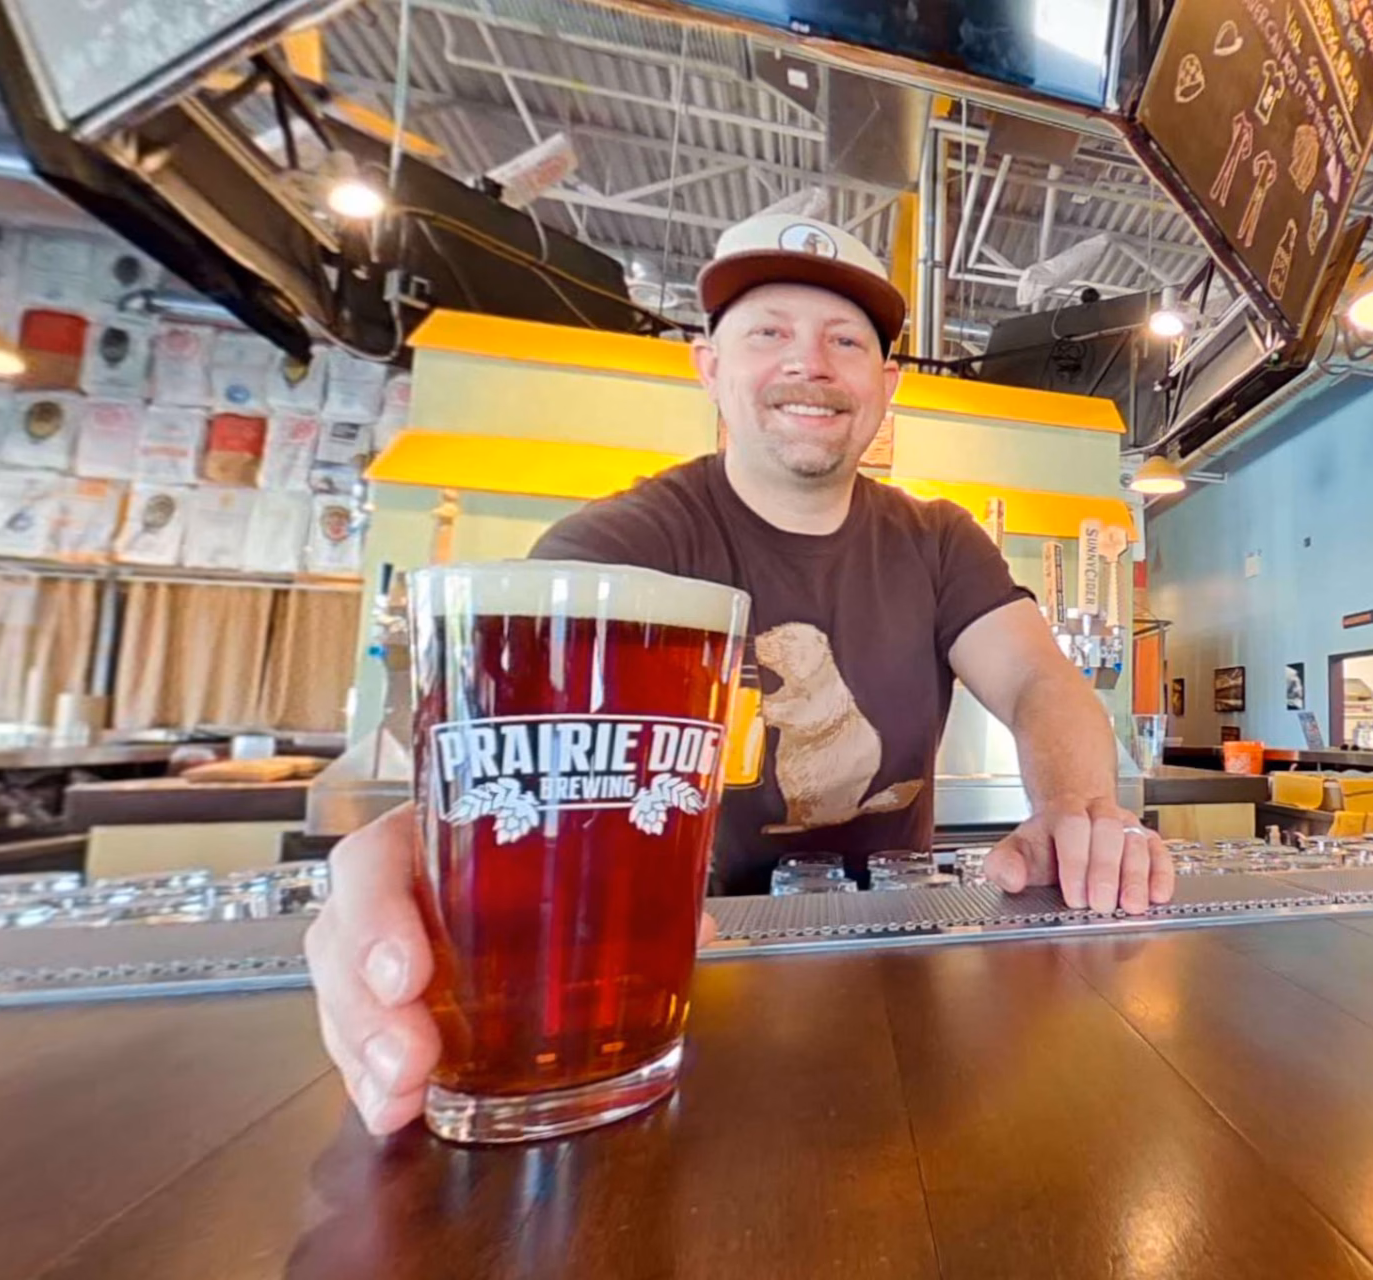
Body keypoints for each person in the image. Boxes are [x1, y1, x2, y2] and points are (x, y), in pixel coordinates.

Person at [307, 211, 1172, 1135]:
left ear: (885, 386)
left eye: (846, 340)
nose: (812, 363)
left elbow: (1039, 680)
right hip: (687, 974)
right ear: (709, 367)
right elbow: (516, 738)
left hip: (895, 972)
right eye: (769, 333)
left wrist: (1082, 813)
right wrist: (434, 850)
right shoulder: (626, 539)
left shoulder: (937, 539)